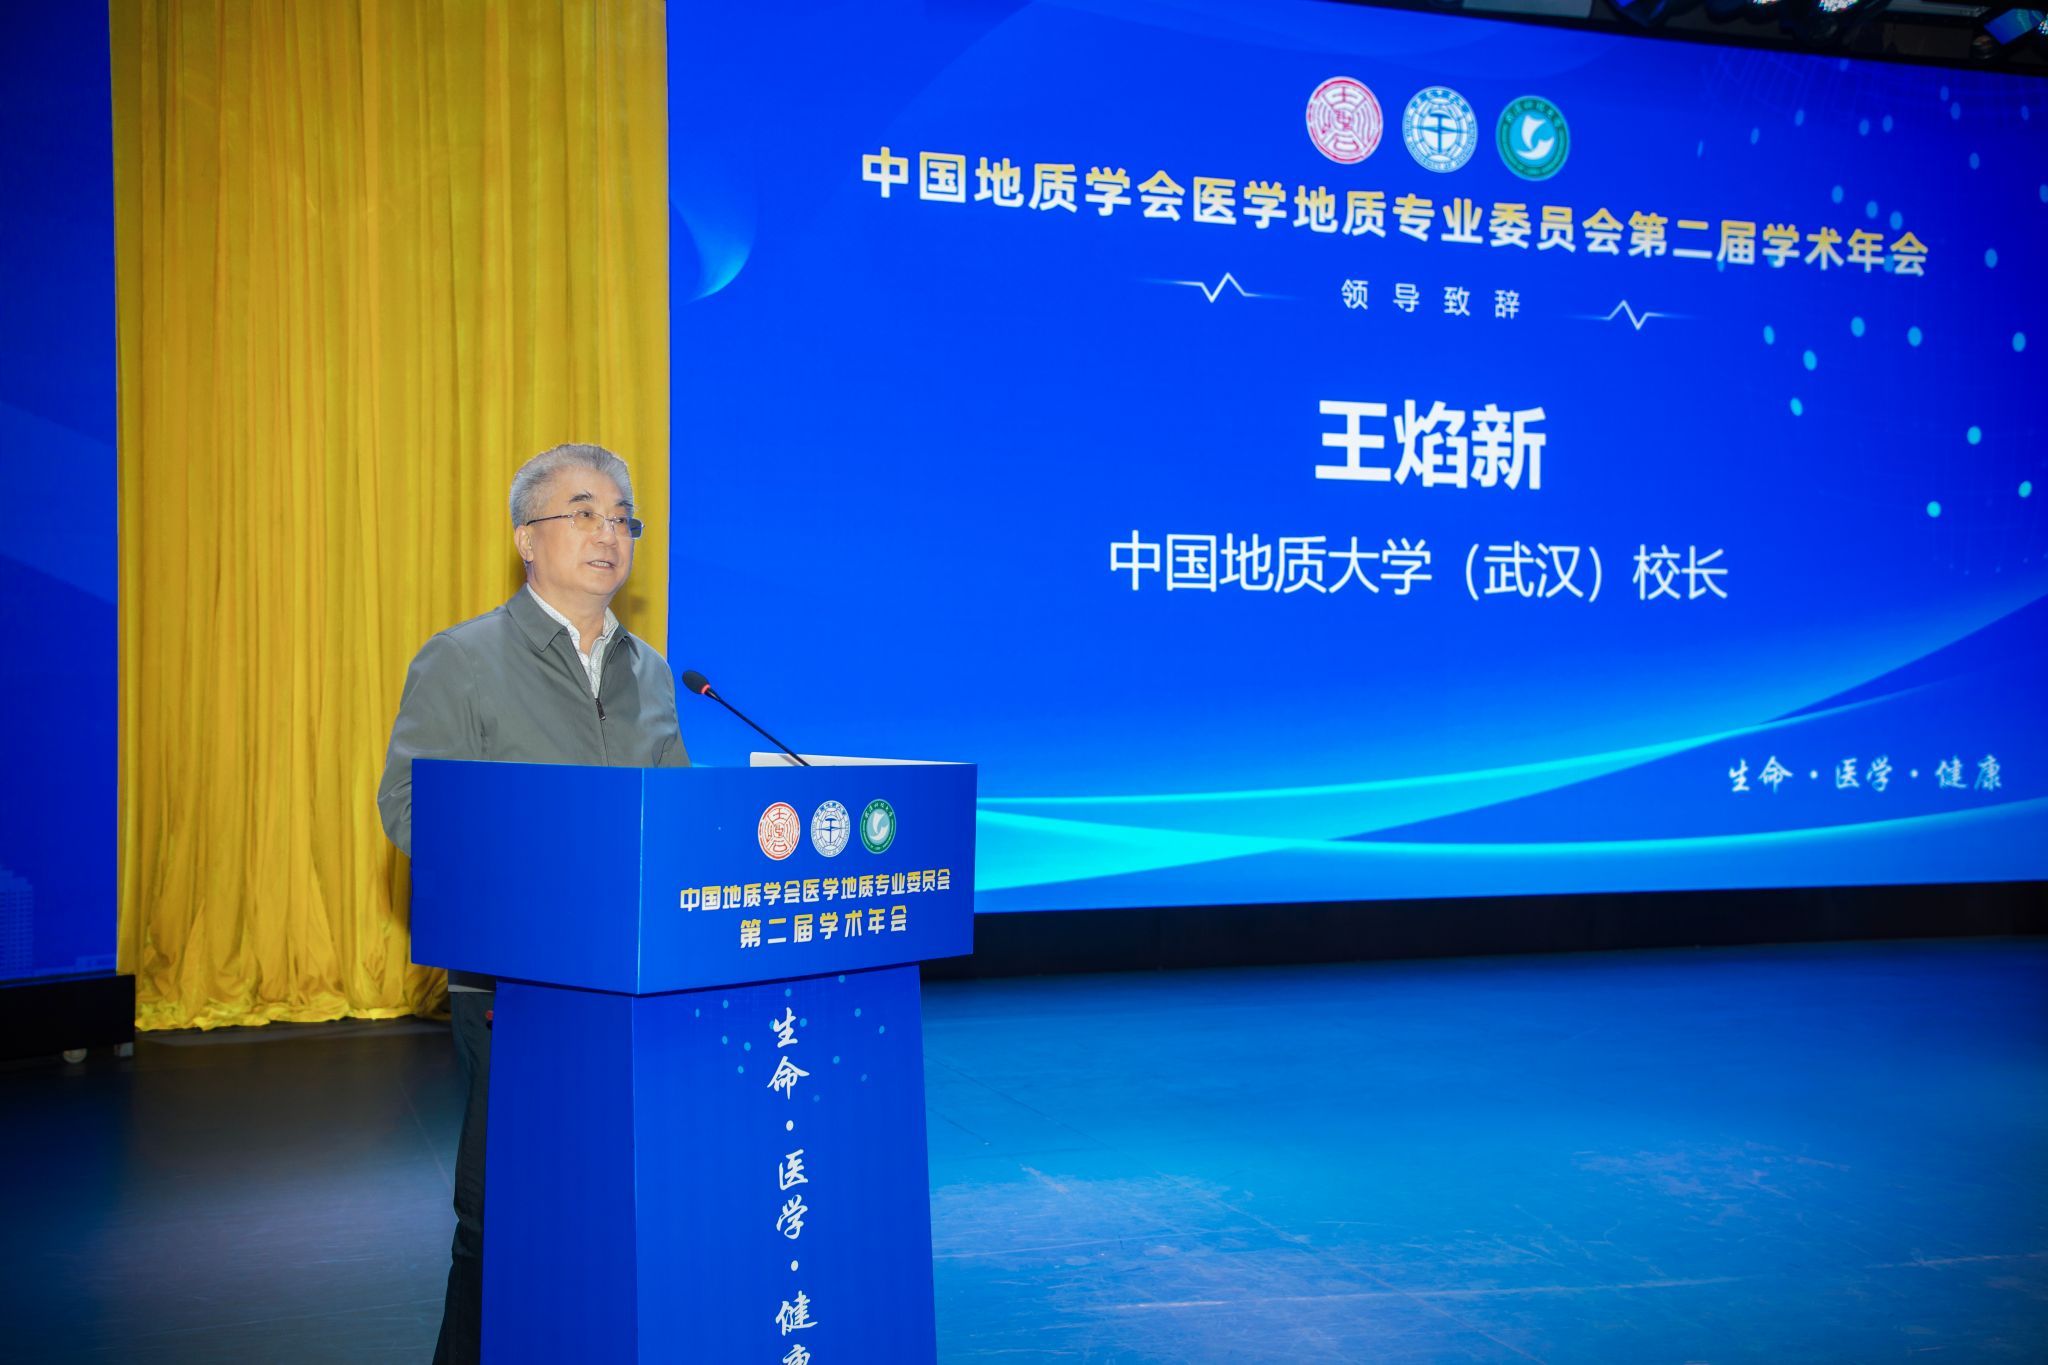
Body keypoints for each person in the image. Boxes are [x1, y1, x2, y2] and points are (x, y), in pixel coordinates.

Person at [377, 443, 688, 1364]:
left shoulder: (651, 670)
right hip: (514, 989)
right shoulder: (463, 659)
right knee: (503, 1219)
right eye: (584, 511)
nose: (609, 532)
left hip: (634, 987)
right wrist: (547, 868)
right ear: (526, 538)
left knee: (616, 1211)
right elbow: (411, 808)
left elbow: (674, 816)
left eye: (622, 516)